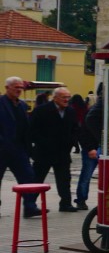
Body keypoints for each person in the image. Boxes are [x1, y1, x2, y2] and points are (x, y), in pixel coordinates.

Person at [30, 86, 80, 211]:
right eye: (64, 97)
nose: (67, 100)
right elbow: (32, 130)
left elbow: (75, 128)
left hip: (63, 152)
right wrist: (41, 143)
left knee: (64, 180)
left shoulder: (70, 111)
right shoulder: (42, 110)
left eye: (68, 97)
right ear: (55, 98)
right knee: (37, 179)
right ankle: (30, 206)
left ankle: (65, 203)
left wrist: (72, 142)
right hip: (44, 152)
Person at [1, 77, 45, 218]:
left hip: (19, 149)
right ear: (7, 88)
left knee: (28, 177)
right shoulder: (1, 103)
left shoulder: (22, 105)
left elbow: (27, 128)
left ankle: (30, 207)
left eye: (21, 87)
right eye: (16, 87)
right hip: (2, 149)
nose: (19, 90)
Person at [75, 84, 104, 210]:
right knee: (86, 176)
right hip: (92, 148)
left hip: (101, 147)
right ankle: (81, 199)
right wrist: (90, 148)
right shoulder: (93, 112)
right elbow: (83, 133)